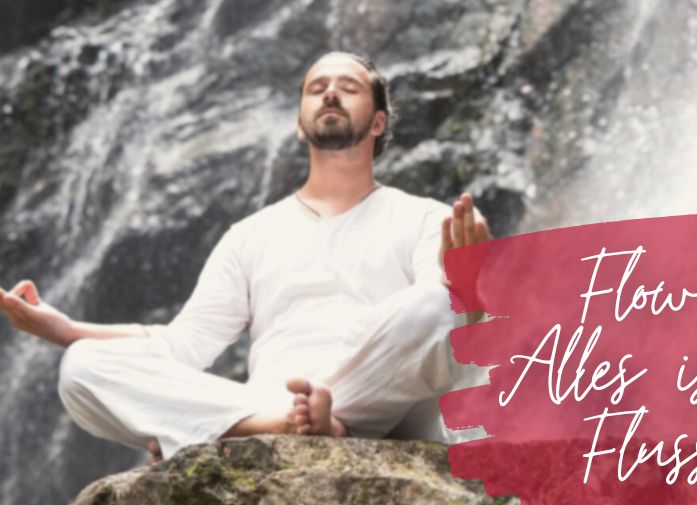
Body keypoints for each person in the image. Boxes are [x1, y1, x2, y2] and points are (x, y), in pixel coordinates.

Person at [0, 51, 491, 463]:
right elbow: (184, 344)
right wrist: (65, 330)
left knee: (439, 304)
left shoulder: (426, 218)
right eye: (316, 88)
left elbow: (443, 326)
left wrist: (469, 289)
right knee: (82, 366)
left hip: (386, 403)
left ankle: (239, 428)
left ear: (378, 121)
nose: (330, 94)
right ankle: (283, 425)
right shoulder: (250, 235)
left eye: (349, 87)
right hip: (273, 403)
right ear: (299, 123)